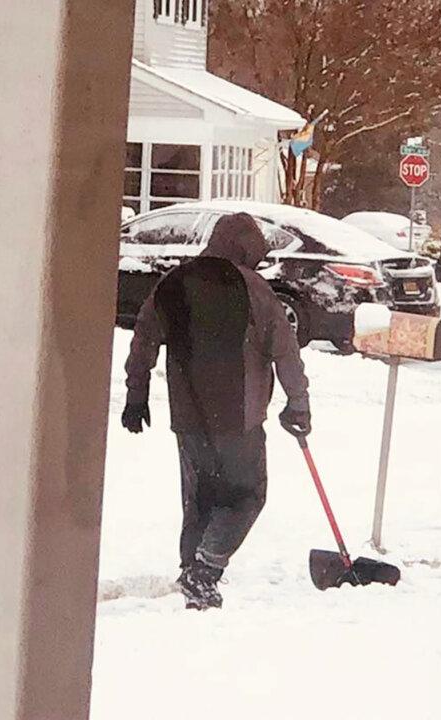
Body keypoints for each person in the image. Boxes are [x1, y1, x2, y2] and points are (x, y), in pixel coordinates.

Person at [122, 212, 311, 611]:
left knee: (199, 498)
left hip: (188, 416)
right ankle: (204, 571)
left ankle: (193, 571)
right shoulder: (254, 288)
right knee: (248, 494)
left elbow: (144, 338)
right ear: (244, 249)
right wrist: (298, 404)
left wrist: (136, 395)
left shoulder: (174, 282)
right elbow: (285, 350)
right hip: (239, 416)